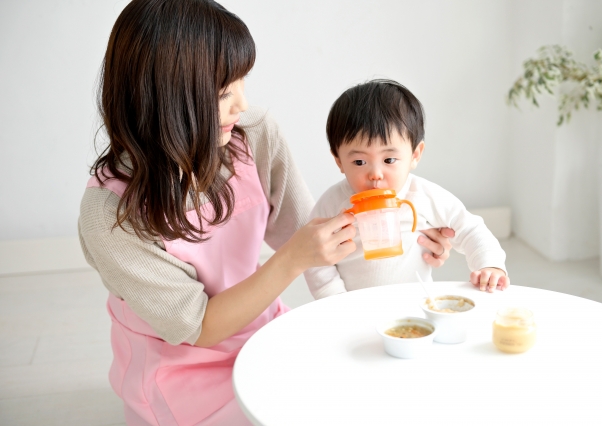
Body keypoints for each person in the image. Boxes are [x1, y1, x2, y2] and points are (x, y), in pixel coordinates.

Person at [78, 2, 452, 424]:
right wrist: (292, 258)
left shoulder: (251, 134)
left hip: (265, 332)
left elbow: (321, 237)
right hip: (179, 369)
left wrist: (410, 241)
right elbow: (197, 325)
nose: (241, 104)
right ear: (165, 101)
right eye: (222, 93)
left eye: (241, 82)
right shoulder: (110, 213)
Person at [304, 79, 510, 299]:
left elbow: (470, 229)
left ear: (415, 155)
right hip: (354, 305)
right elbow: (314, 259)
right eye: (359, 162)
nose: (376, 174)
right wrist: (335, 298)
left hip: (417, 302)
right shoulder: (332, 204)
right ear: (338, 161)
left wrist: (491, 265)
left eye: (389, 159)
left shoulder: (424, 195)